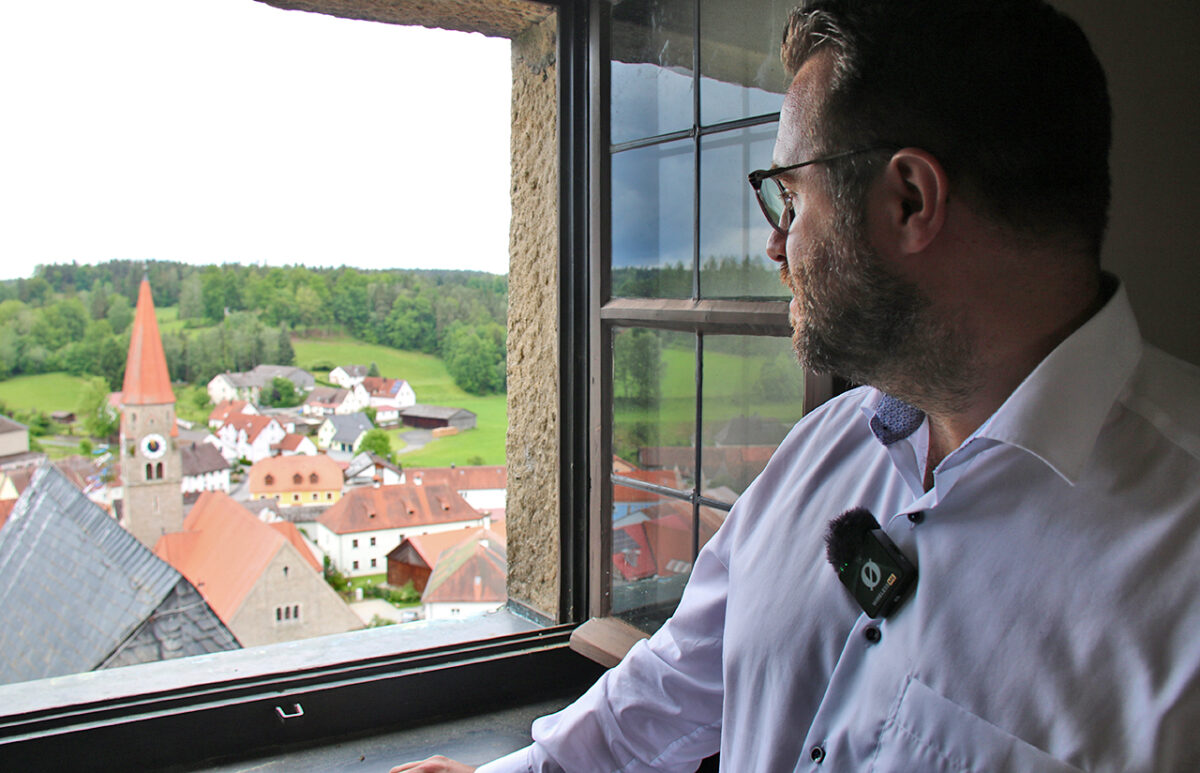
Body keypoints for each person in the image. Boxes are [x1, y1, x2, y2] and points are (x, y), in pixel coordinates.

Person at [395, 0, 1200, 770]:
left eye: (790, 196)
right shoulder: (823, 446)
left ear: (909, 199)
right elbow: (673, 684)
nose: (775, 247)